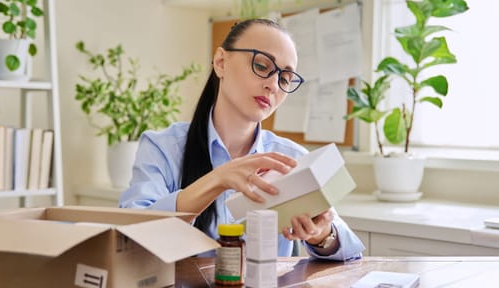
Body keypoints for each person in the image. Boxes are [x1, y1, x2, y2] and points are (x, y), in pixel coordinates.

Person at [119, 18, 365, 260]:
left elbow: (350, 250)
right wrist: (218, 179)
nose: (273, 85)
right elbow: (132, 234)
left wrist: (321, 235)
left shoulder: (290, 158)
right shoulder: (162, 147)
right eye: (261, 65)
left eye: (285, 78)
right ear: (221, 62)